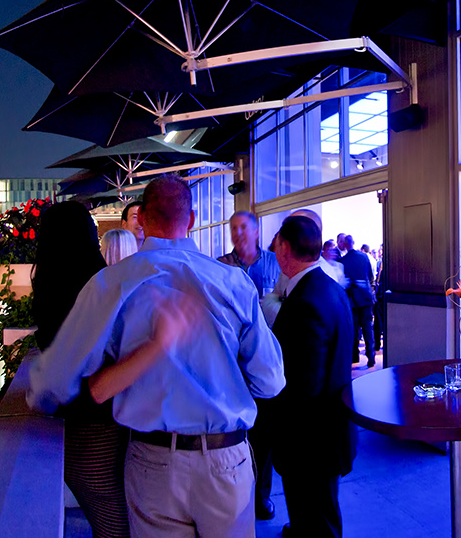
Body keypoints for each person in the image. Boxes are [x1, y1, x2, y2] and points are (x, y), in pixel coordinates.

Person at [28, 176, 285, 538]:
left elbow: (56, 379)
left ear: (142, 220)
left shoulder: (110, 284)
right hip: (225, 456)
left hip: (152, 458)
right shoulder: (233, 282)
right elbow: (271, 381)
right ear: (192, 219)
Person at [30, 201, 126, 538]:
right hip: (106, 427)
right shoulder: (98, 285)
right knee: (117, 525)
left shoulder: (48, 287)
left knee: (106, 523)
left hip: (74, 427)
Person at [268, 215, 356, 538]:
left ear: (285, 250)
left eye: (276, 245)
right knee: (322, 515)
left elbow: (305, 386)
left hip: (309, 445)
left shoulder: (305, 301)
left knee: (316, 522)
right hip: (329, 433)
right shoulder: (330, 288)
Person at [217, 210, 282, 522]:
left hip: (268, 360)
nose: (238, 233)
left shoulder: (274, 264)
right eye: (233, 228)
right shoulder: (220, 266)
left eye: (244, 227)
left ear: (257, 231)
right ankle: (237, 494)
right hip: (233, 365)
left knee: (265, 434)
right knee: (238, 431)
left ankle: (261, 495)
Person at [337, 234, 376, 367]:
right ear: (353, 243)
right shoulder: (364, 257)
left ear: (346, 245)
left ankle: (354, 356)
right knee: (367, 328)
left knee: (353, 330)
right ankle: (371, 357)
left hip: (352, 300)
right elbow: (370, 276)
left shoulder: (343, 261)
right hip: (365, 298)